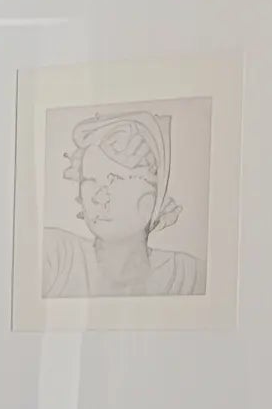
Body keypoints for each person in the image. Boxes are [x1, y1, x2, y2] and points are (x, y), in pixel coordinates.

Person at [40, 109, 203, 298]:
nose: (99, 197)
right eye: (89, 181)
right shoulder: (56, 255)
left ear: (152, 197)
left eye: (115, 180)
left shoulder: (189, 275)